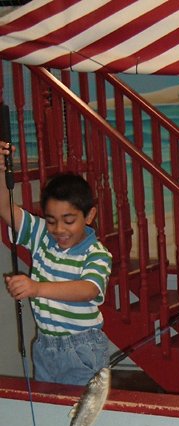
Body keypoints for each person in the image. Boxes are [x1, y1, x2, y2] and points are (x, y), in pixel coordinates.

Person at [0, 142, 112, 385]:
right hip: (45, 345)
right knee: (48, 405)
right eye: (51, 221)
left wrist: (37, 288)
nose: (59, 229)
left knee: (82, 407)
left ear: (89, 216)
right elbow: (5, 207)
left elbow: (88, 289)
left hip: (83, 348)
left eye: (68, 221)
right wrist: (1, 172)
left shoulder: (96, 253)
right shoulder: (42, 235)